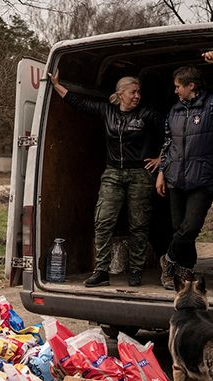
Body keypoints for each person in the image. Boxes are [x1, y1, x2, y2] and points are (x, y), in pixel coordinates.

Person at [50, 70, 163, 287]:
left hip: (140, 173)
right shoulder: (106, 110)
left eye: (139, 92)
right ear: (120, 94)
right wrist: (56, 85)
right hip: (113, 173)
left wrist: (161, 158)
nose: (137, 96)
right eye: (133, 92)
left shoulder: (148, 115)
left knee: (138, 223)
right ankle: (101, 271)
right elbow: (79, 103)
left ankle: (136, 270)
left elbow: (172, 131)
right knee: (103, 221)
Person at [156, 50, 213, 289]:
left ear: (192, 86)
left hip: (204, 178)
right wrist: (161, 172)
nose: (176, 90)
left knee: (190, 228)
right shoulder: (173, 111)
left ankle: (167, 260)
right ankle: (185, 274)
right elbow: (168, 143)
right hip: (175, 178)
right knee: (180, 230)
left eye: (179, 86)